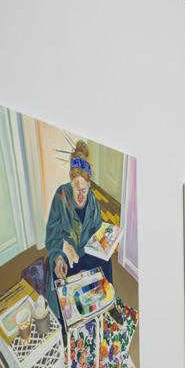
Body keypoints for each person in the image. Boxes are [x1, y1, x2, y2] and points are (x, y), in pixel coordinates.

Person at [45, 140, 112, 328]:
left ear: (89, 186)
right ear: (71, 182)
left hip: (86, 253)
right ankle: (63, 324)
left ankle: (107, 304)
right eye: (76, 188)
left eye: (84, 189)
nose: (81, 195)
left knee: (107, 262)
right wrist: (59, 256)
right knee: (58, 278)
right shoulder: (60, 196)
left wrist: (104, 242)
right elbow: (52, 236)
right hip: (68, 258)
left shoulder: (93, 201)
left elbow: (98, 230)